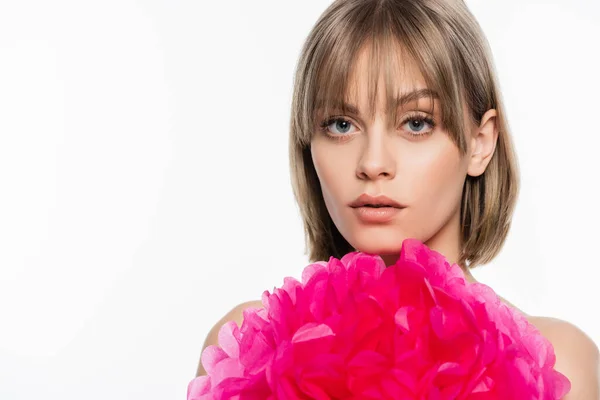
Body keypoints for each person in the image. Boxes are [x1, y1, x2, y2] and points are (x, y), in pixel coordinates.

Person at [195, 0, 600, 396]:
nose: (372, 163)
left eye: (416, 123)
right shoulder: (245, 353)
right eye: (340, 124)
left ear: (480, 142)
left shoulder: (557, 366)